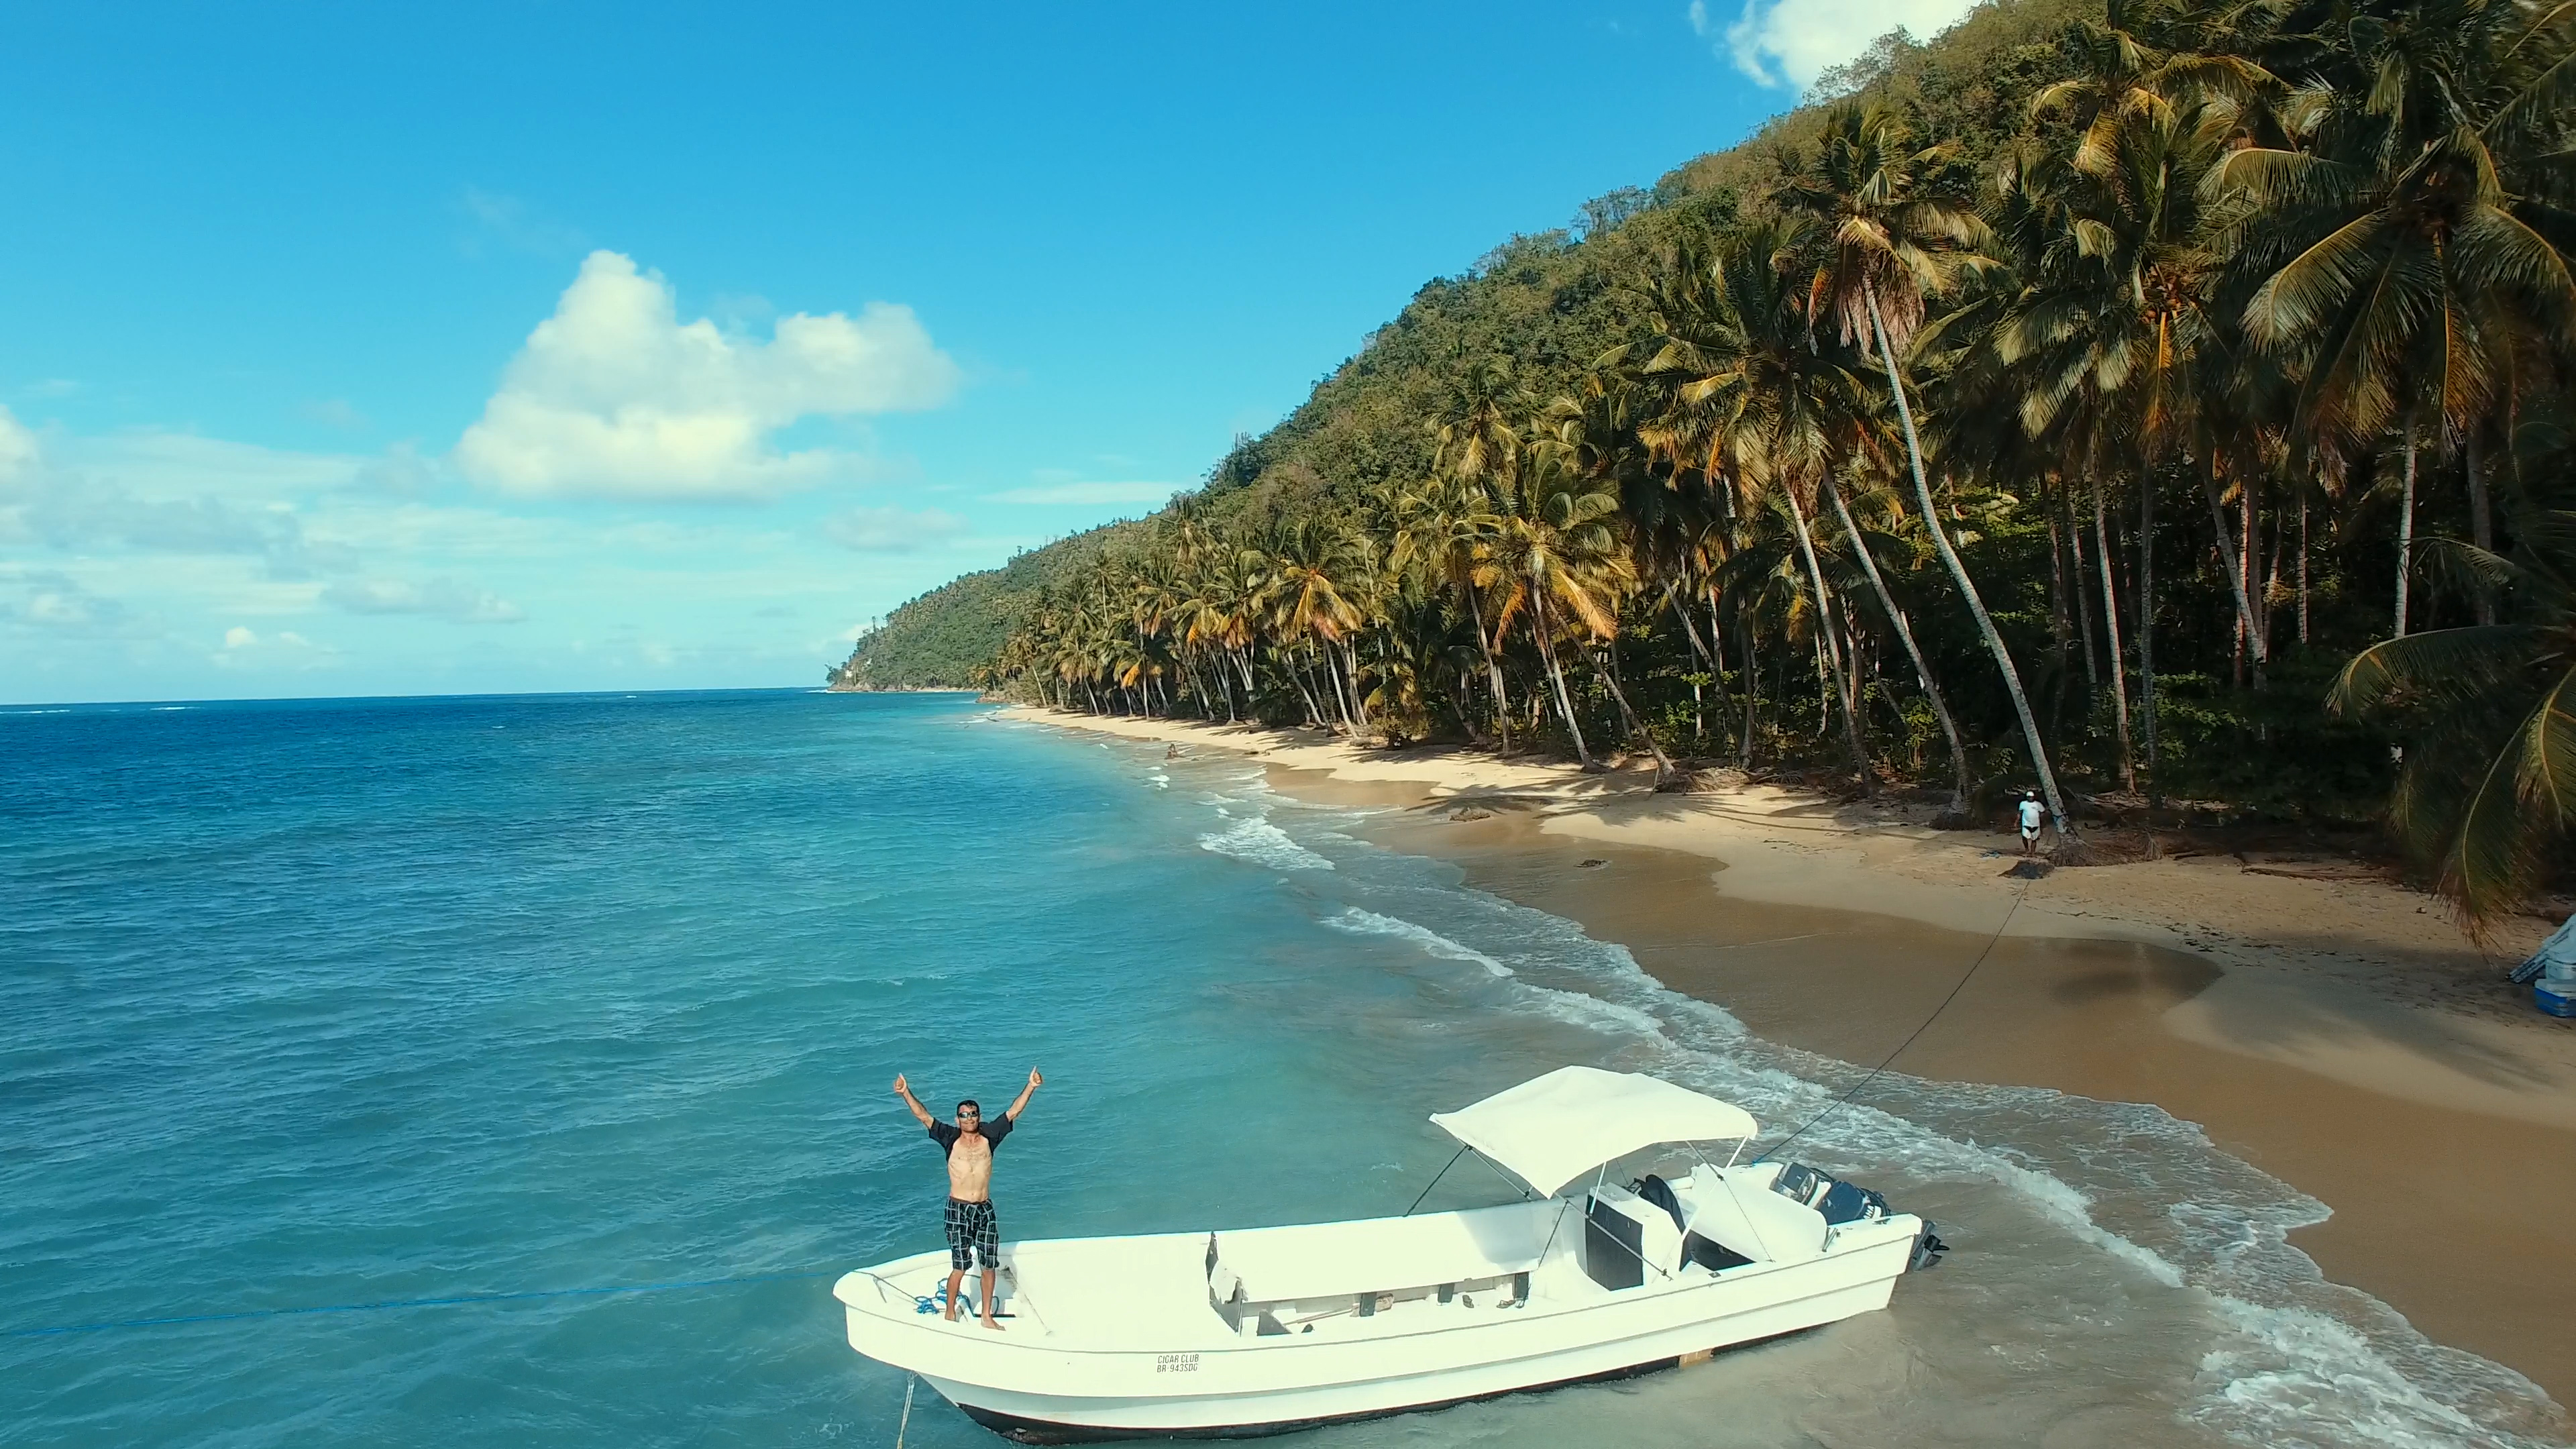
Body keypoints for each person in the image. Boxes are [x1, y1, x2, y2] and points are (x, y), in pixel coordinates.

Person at [894, 1068, 1041, 1328]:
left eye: (973, 1114)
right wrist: (906, 1092)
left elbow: (1014, 1111)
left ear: (979, 1117)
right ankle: (950, 1313)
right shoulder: (950, 1138)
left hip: (984, 1209)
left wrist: (1031, 1086)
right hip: (958, 1209)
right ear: (958, 1118)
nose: (969, 1118)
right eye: (964, 1115)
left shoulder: (989, 1136)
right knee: (960, 1265)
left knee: (988, 1264)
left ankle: (986, 1316)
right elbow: (923, 1116)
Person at [2016, 790, 2047, 857]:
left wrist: (2041, 820)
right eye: (2029, 797)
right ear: (2027, 797)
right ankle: (2027, 850)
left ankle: (2033, 853)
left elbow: (2043, 812)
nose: (2031, 798)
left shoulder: (2038, 804)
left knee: (2034, 839)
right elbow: (2019, 813)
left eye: (2032, 797)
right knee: (2024, 837)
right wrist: (2016, 822)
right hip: (2026, 823)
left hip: (2036, 824)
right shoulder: (2023, 803)